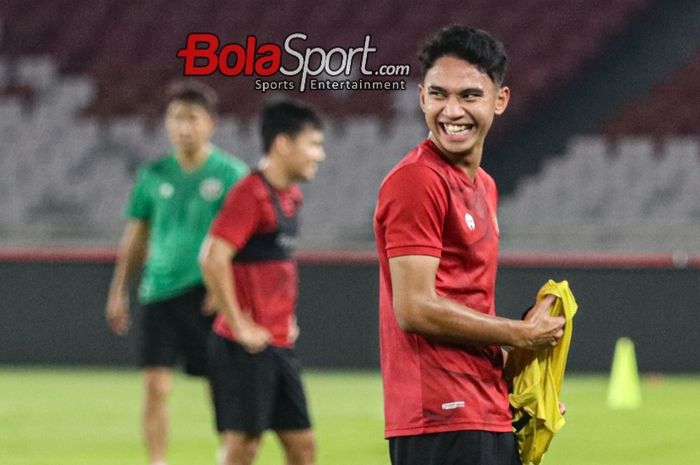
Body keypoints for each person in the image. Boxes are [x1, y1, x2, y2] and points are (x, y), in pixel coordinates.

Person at [373, 25, 567, 465]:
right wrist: (521, 334)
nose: (451, 110)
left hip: (483, 410)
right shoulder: (417, 181)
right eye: (439, 94)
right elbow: (415, 308)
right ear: (421, 98)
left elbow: (465, 307)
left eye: (469, 96)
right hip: (440, 417)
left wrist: (518, 383)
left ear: (499, 101)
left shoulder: (485, 186)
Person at [105, 80, 249, 465]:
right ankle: (157, 461)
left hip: (206, 292)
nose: (183, 127)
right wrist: (119, 289)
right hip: (158, 291)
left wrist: (225, 288)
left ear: (210, 124)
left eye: (192, 119)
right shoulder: (153, 175)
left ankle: (228, 454)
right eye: (176, 119)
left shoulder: (232, 174)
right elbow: (136, 236)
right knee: (156, 384)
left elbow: (244, 239)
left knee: (219, 383)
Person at [199, 99, 325, 465]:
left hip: (278, 343)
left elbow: (273, 266)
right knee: (244, 447)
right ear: (283, 144)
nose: (320, 155)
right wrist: (237, 323)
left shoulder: (291, 197)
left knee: (303, 446)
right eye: (313, 144)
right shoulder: (250, 194)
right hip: (245, 348)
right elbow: (212, 256)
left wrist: (287, 315)